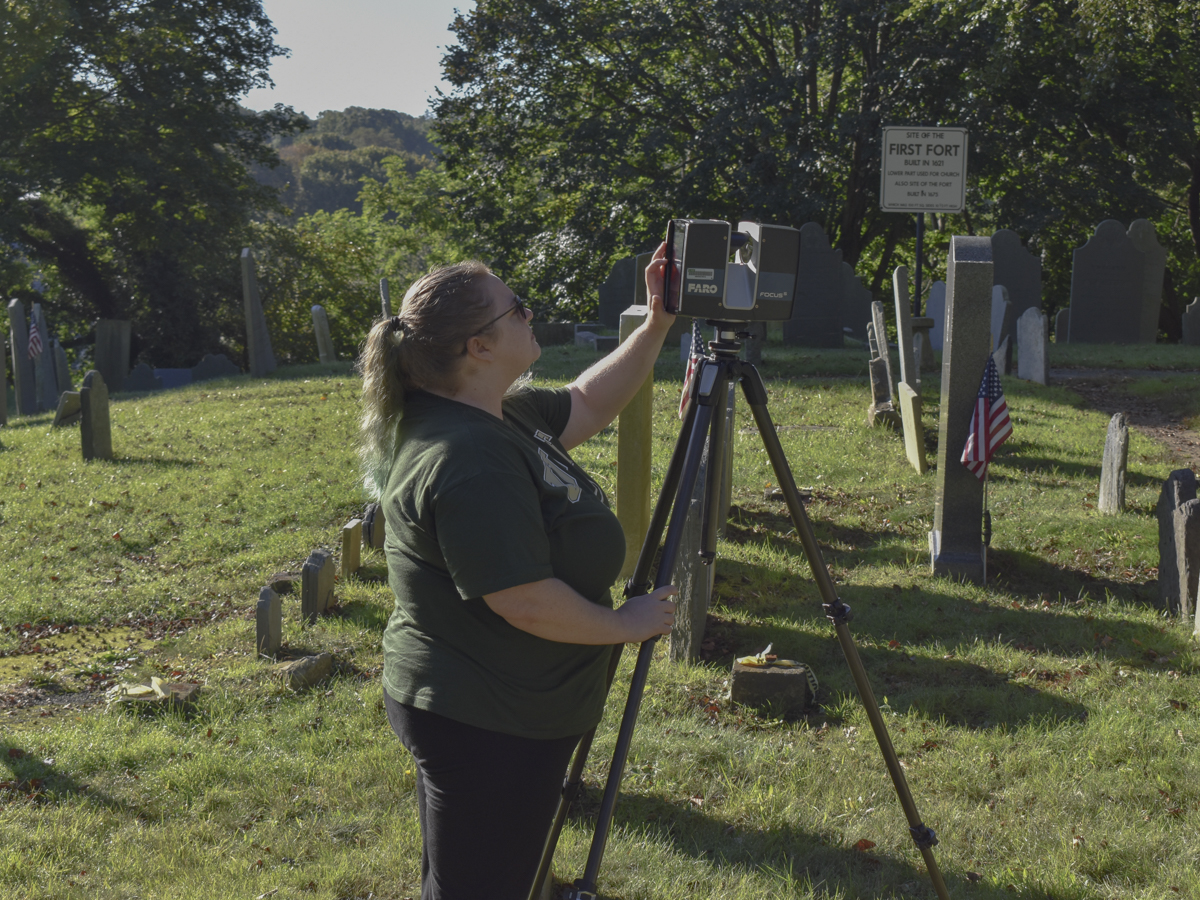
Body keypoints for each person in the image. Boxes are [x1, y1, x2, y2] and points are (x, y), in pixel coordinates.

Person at [357, 248, 679, 900]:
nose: (531, 314)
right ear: (480, 346)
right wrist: (623, 625)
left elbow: (588, 400)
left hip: (504, 707)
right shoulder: (467, 456)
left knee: (484, 879)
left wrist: (656, 324)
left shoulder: (499, 412)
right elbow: (524, 601)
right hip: (487, 722)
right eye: (518, 309)